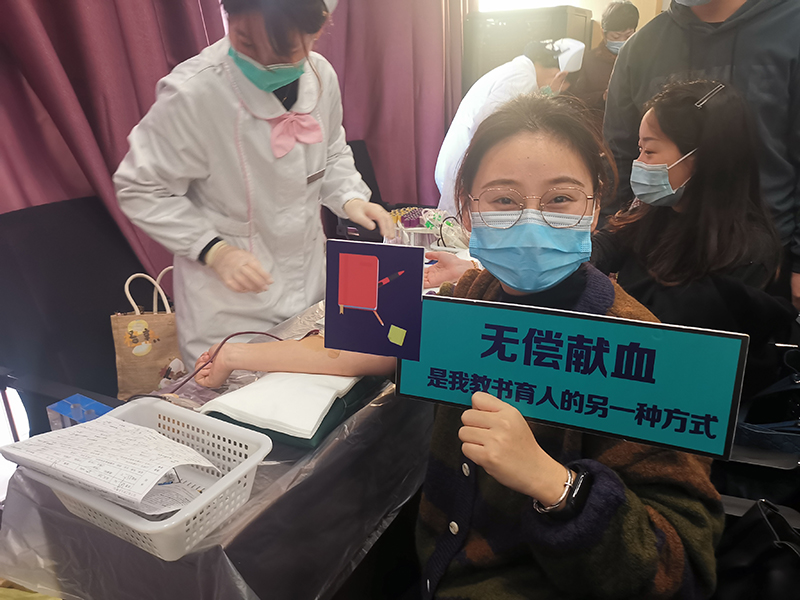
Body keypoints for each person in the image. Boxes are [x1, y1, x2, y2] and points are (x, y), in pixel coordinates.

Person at [195, 94, 724, 599]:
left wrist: (557, 485)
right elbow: (372, 344)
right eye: (504, 200)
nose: (532, 220)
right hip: (441, 575)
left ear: (594, 207)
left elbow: (682, 570)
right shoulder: (473, 297)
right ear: (467, 213)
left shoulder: (643, 352)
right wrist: (236, 356)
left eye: (560, 199)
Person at [114, 0, 394, 364]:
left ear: (319, 28)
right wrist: (214, 250)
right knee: (233, 393)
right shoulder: (193, 92)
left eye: (284, 50)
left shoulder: (321, 76)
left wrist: (351, 198)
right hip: (228, 309)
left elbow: (332, 153)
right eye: (246, 41)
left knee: (314, 388)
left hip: (309, 287)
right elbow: (141, 187)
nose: (263, 61)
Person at [593, 80, 795, 396]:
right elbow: (611, 241)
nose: (639, 162)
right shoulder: (655, 211)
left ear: (701, 158)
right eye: (639, 148)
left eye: (650, 150)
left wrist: (600, 292)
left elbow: (677, 339)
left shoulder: (747, 250)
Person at [603, 0, 800, 307]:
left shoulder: (791, 27)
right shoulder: (641, 47)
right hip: (656, 246)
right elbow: (620, 152)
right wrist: (609, 235)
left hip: (763, 257)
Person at [434, 38, 584, 217]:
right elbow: (487, 129)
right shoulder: (524, 79)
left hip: (459, 161)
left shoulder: (517, 70)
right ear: (561, 76)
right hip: (466, 164)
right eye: (561, 89)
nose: (553, 93)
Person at [571, 1, 639, 114]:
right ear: (603, 33)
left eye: (628, 36)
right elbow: (574, 99)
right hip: (598, 120)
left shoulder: (640, 60)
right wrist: (602, 96)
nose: (622, 41)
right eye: (616, 37)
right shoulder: (588, 60)